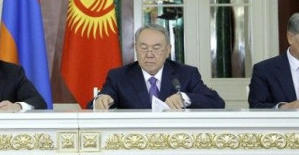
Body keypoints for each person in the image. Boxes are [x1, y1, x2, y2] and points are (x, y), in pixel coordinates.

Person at [90, 24, 224, 110]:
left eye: (156, 48)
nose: (149, 54)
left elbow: (217, 102)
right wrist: (100, 101)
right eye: (143, 47)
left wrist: (184, 98)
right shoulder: (119, 76)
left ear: (168, 50)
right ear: (136, 48)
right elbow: (93, 105)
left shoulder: (186, 74)